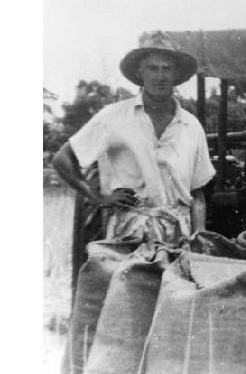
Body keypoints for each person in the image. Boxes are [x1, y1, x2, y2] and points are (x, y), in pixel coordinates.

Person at [53, 31, 216, 244]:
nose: (160, 76)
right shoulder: (113, 116)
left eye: (167, 68)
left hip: (179, 235)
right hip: (128, 233)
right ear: (140, 73)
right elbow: (62, 160)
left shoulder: (192, 126)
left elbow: (197, 192)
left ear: (176, 75)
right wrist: (98, 199)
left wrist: (199, 232)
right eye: (152, 68)